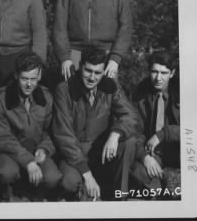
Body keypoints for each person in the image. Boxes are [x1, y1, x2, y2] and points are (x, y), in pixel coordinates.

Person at [52, 46, 140, 200]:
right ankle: (82, 195)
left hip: (100, 152)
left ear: (104, 71)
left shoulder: (110, 86)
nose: (92, 77)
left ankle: (120, 196)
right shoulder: (63, 90)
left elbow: (131, 116)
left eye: (98, 72)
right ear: (80, 67)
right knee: (70, 183)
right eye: (88, 71)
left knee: (129, 142)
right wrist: (87, 175)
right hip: (74, 153)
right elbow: (63, 135)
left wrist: (115, 134)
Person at [0, 52, 62, 201]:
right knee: (6, 172)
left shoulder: (47, 97)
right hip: (11, 152)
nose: (29, 84)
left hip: (36, 150)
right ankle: (6, 192)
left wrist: (44, 148)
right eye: (24, 79)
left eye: (33, 79)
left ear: (40, 76)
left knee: (53, 177)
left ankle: (36, 193)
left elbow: (51, 131)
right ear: (16, 75)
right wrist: (28, 161)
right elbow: (2, 138)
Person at [130, 51, 180, 196]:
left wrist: (164, 133)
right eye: (154, 72)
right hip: (152, 152)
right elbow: (135, 131)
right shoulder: (140, 94)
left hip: (178, 151)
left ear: (172, 73)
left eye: (164, 73)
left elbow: (193, 129)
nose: (158, 78)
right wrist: (145, 156)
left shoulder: (182, 92)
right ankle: (157, 189)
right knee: (138, 170)